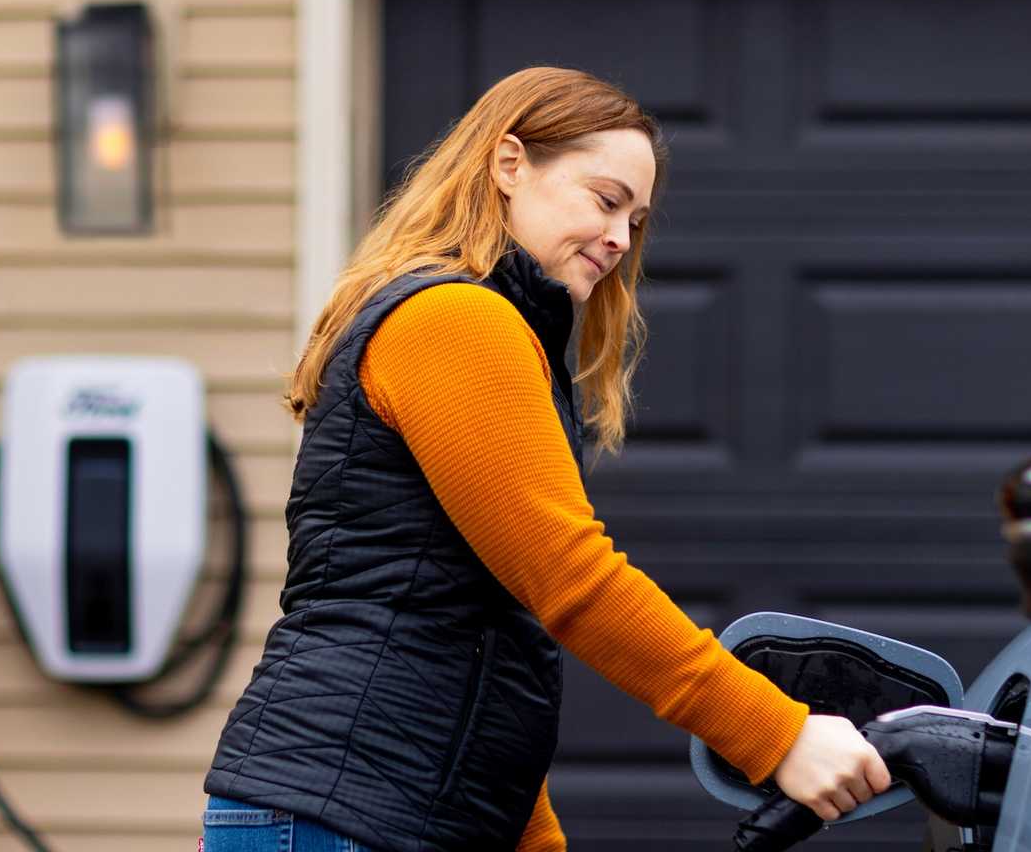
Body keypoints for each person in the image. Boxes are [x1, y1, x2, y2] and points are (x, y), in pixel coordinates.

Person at [201, 66, 890, 852]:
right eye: (605, 200)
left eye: (636, 218)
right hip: (345, 810)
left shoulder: (474, 324)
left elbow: (488, 633)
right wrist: (777, 734)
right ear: (508, 164)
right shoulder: (455, 320)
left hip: (373, 810)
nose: (621, 238)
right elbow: (572, 581)